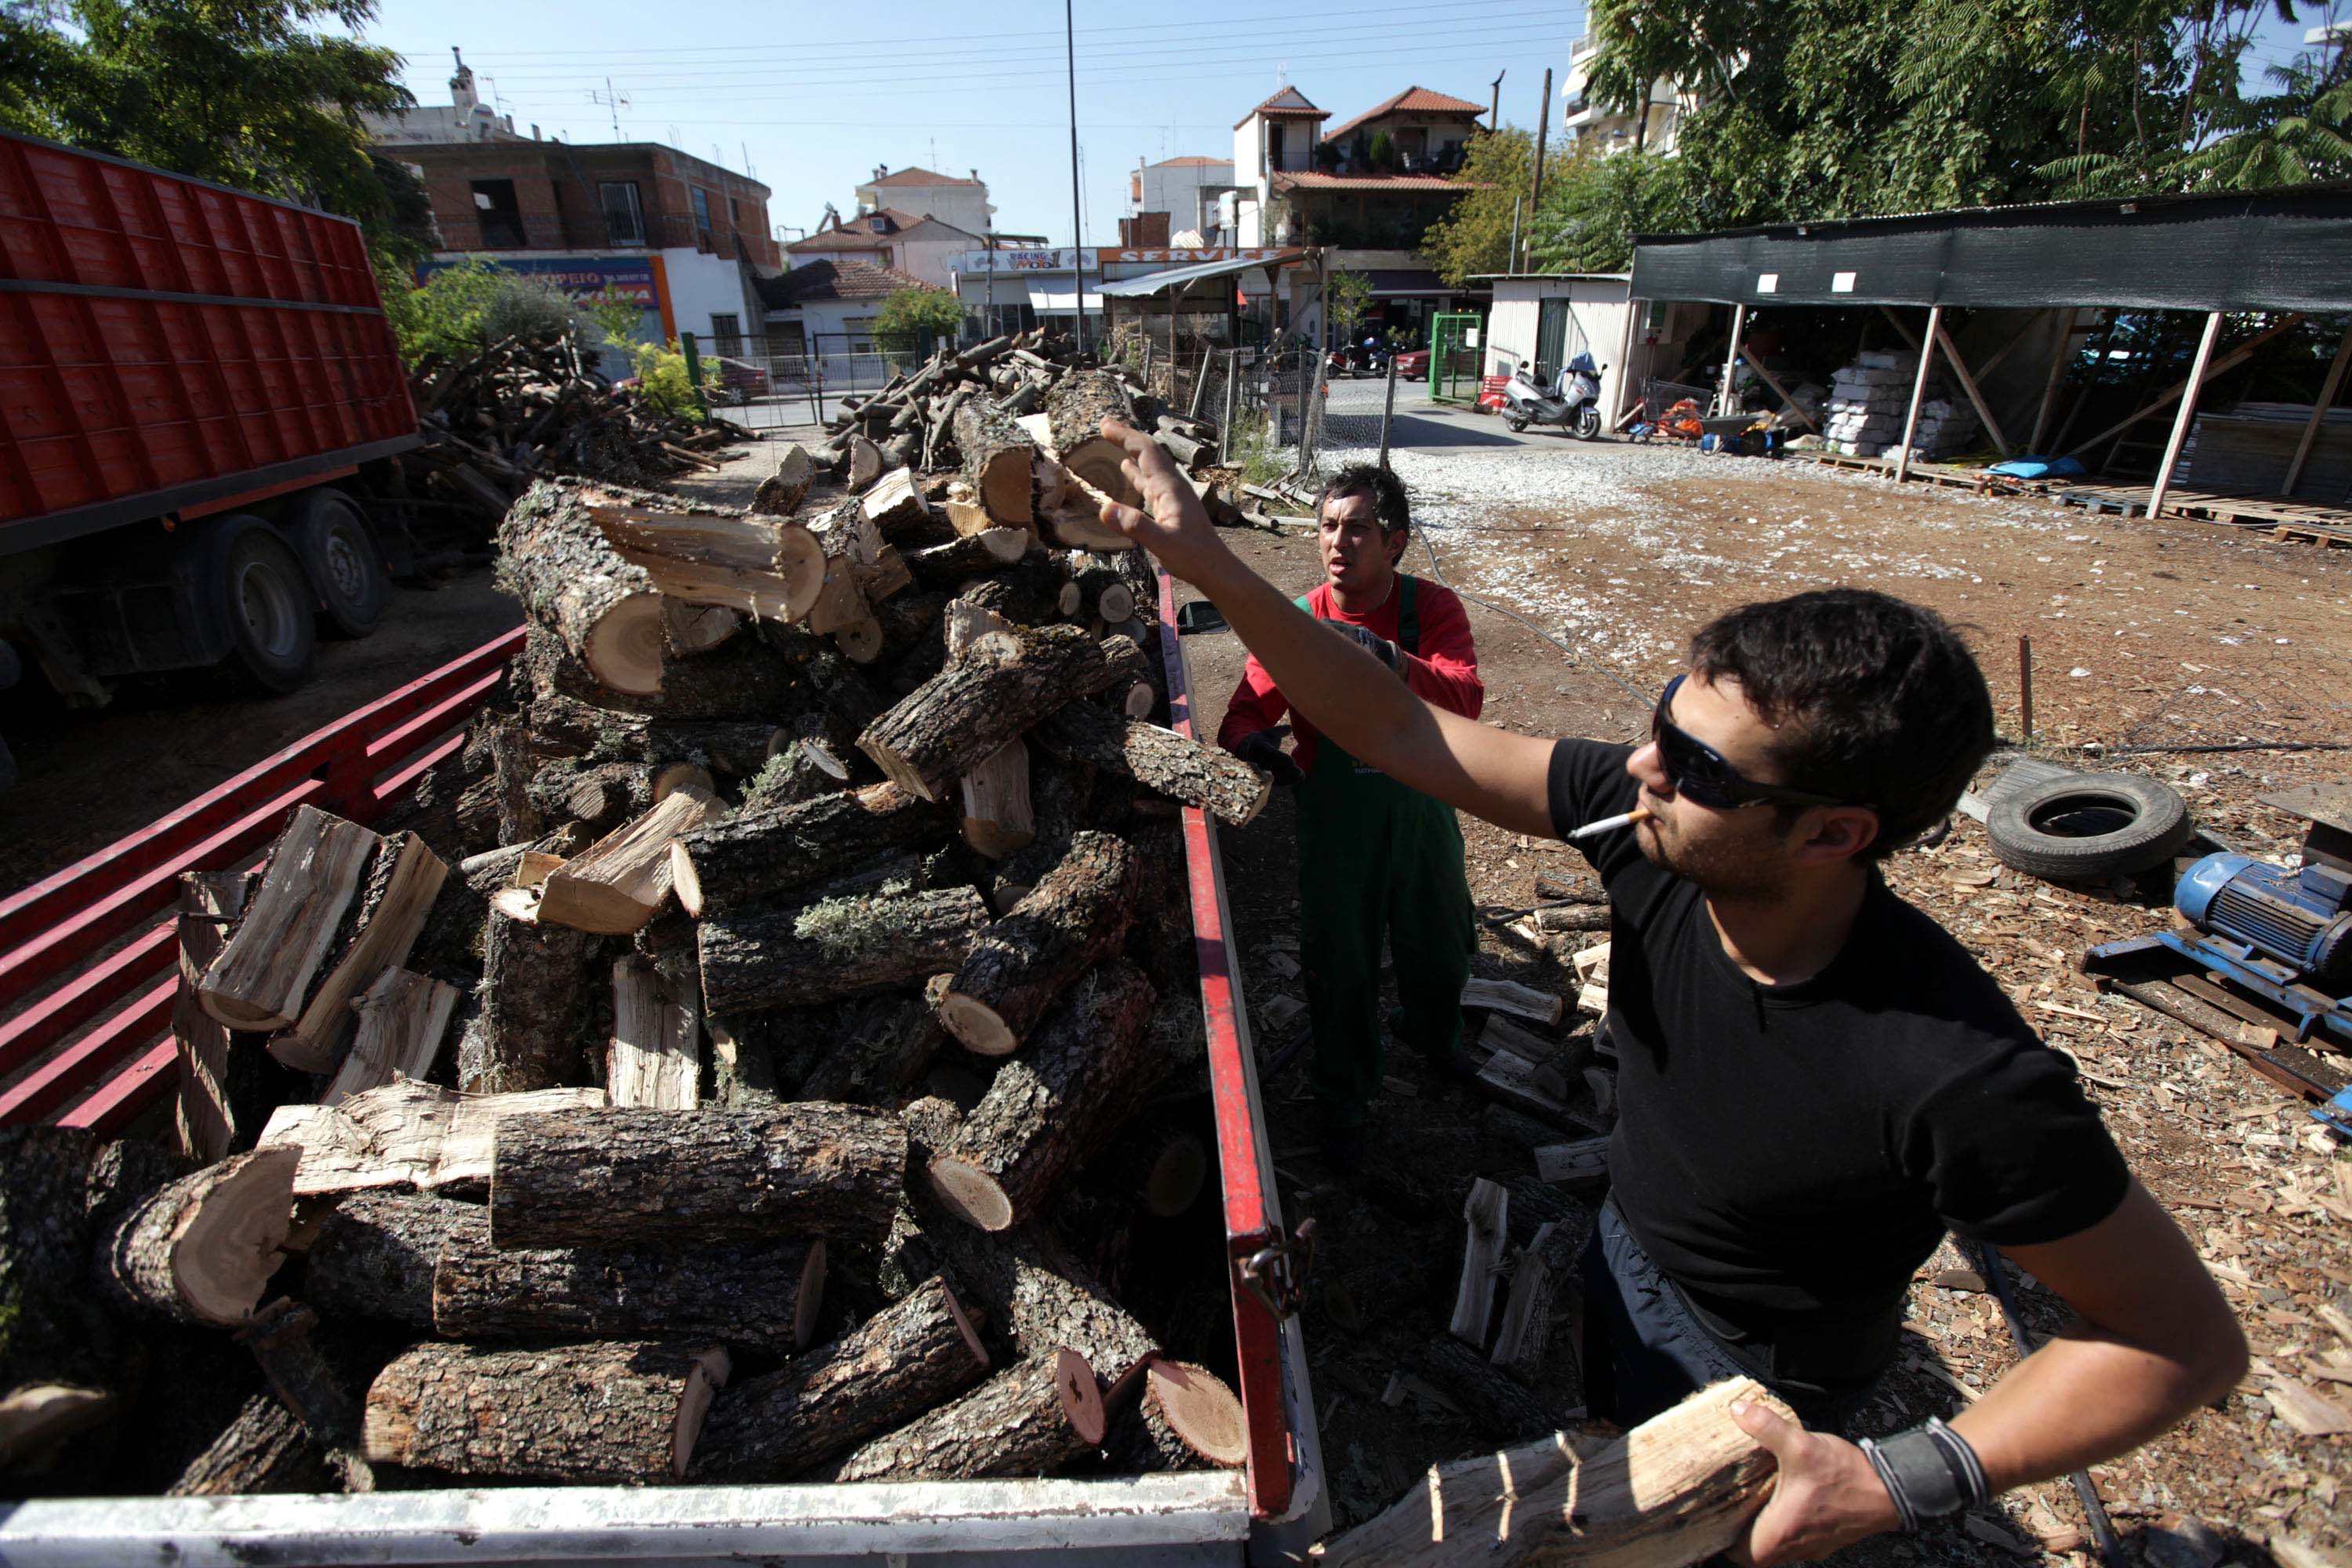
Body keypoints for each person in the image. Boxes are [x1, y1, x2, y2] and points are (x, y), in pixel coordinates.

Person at [1092, 418, 2248, 1566]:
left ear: (1834, 834)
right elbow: (1397, 723)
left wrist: (1909, 1475)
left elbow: (2183, 1341)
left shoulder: (1953, 1070)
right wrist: (1213, 565)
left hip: (1758, 1386)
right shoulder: (1641, 833)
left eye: (1694, 767)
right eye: (1660, 725)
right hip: (1623, 1248)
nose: (1643, 767)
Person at [1218, 464, 1483, 1173]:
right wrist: (1253, 746)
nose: (1339, 542)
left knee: (1442, 944)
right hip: (1337, 823)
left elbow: (1465, 700)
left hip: (1422, 810)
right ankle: (1343, 1100)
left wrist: (1391, 660)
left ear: (1395, 542)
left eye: (1358, 529)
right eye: (1328, 527)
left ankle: (1434, 1034)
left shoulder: (1430, 609)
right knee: (1340, 967)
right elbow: (1244, 711)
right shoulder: (1301, 621)